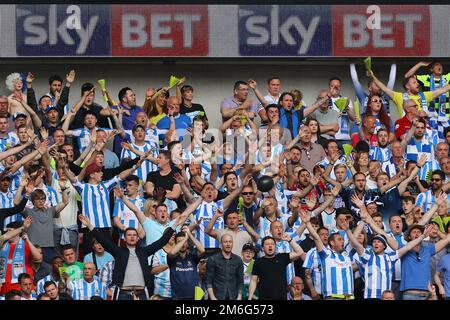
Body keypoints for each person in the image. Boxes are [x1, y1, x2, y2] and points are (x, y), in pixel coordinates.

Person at [78, 211, 186, 300]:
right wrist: (89, 225)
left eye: (134, 235)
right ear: (124, 238)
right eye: (129, 235)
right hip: (123, 293)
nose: (132, 237)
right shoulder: (119, 251)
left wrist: (175, 225)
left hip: (142, 293)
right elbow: (103, 240)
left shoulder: (144, 251)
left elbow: (162, 241)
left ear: (138, 238)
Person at [248, 234, 304, 300]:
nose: (270, 246)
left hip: (281, 298)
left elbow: (300, 252)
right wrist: (250, 296)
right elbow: (253, 280)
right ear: (262, 248)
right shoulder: (258, 262)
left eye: (272, 244)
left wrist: (290, 240)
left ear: (275, 247)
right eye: (267, 244)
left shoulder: (282, 257)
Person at [0, 218, 41, 296]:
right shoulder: (2, 245)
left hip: (23, 289)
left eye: (11, 231)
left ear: (18, 232)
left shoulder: (26, 244)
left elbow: (38, 258)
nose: (8, 233)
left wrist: (28, 241)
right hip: (4, 288)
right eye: (7, 231)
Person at [167, 226, 205, 300]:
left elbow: (202, 250)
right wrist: (184, 239)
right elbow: (172, 253)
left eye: (185, 242)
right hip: (177, 297)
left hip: (194, 296)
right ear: (175, 243)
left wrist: (189, 235)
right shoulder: (172, 258)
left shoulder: (193, 257)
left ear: (188, 243)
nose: (183, 244)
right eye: (179, 242)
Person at [205, 234, 243, 300]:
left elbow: (240, 281)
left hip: (233, 296)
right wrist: (212, 297)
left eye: (230, 242)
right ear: (221, 244)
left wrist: (239, 297)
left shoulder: (238, 260)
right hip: (217, 297)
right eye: (225, 242)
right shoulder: (212, 259)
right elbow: (208, 281)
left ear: (232, 244)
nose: (228, 244)